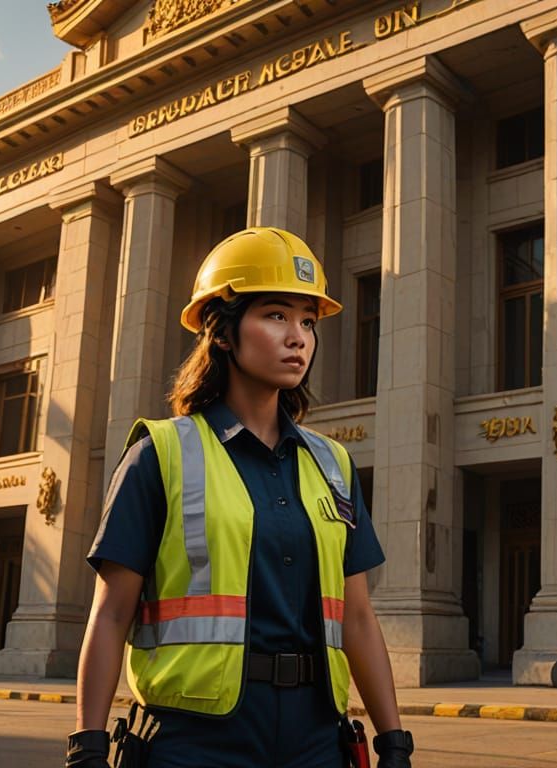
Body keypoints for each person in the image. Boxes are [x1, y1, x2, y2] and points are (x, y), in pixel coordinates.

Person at [66, 227, 414, 768]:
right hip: (197, 740)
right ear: (222, 332)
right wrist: (86, 746)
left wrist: (393, 739)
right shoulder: (161, 455)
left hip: (315, 737)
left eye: (307, 321)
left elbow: (359, 617)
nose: (297, 337)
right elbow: (111, 614)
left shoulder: (333, 464)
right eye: (276, 315)